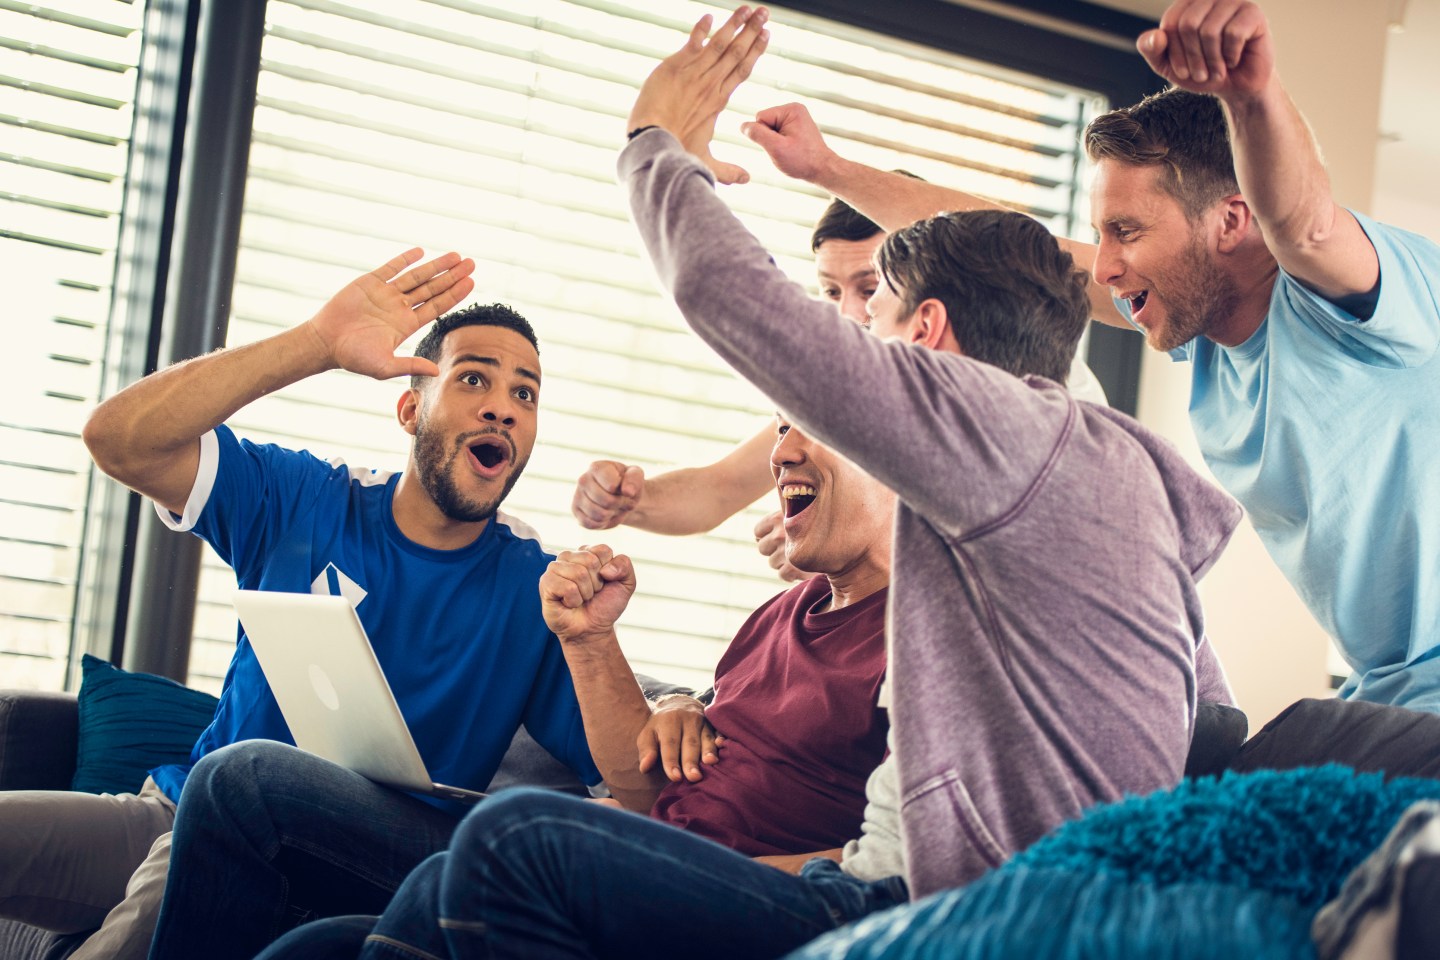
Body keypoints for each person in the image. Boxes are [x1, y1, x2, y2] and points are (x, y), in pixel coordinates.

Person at [252, 9, 1244, 956]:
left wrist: (655, 137)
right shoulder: (1106, 467)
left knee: (514, 841)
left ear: (929, 337)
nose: (859, 344)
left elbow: (723, 292)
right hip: (893, 882)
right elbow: (1208, 712)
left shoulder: (1007, 437)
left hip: (906, 904)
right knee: (318, 945)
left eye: (877, 315)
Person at [739, 1, 1440, 712]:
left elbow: (1306, 225)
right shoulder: (1204, 332)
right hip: (1392, 688)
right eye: (1101, 234)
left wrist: (1250, 97)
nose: (1103, 267)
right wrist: (827, 168)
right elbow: (1001, 244)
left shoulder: (1349, 300)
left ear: (1230, 220)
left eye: (1126, 231)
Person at [0, 250, 605, 960]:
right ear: (412, 408)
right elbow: (120, 441)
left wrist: (668, 701)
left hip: (363, 864)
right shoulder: (306, 499)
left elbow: (633, 778)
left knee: (216, 819)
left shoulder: (540, 591)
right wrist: (315, 344)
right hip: (177, 808)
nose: (503, 405)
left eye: (525, 395)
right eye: (473, 378)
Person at [149, 408, 898, 960]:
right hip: (641, 865)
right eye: (778, 427)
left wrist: (670, 865)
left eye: (817, 426)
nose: (781, 452)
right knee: (307, 952)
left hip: (703, 900)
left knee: (487, 836)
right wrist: (594, 640)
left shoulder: (930, 644)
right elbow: (646, 794)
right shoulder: (777, 616)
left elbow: (900, 869)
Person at [570, 193, 1108, 583]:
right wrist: (630, 502)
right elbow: (720, 489)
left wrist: (844, 539)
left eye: (872, 292)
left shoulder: (1042, 396)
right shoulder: (850, 396)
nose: (851, 316)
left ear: (927, 306)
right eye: (829, 292)